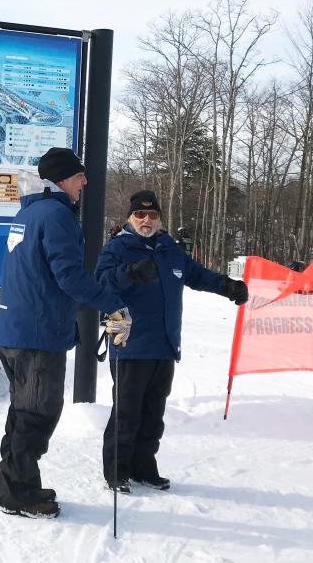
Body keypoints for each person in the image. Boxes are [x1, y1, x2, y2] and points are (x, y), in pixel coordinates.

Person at [0, 147, 130, 519]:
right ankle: (18, 495)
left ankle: (17, 484)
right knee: (36, 414)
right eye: (78, 175)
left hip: (17, 329)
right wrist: (112, 304)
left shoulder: (30, 211)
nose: (85, 181)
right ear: (61, 179)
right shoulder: (55, 215)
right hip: (37, 335)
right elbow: (68, 276)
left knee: (24, 412)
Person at [95, 189, 248, 493]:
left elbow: (195, 274)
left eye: (152, 215)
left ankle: (143, 466)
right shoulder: (118, 248)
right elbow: (99, 282)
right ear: (130, 217)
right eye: (140, 214)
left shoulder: (168, 248)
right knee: (126, 410)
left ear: (160, 218)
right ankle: (117, 470)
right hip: (127, 338)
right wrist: (129, 272)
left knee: (153, 412)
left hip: (164, 342)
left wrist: (226, 286)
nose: (146, 220)